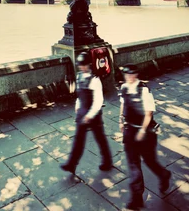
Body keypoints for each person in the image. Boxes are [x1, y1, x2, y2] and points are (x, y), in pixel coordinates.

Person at [119, 64, 171, 210]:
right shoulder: (123, 88)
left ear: (136, 75)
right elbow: (123, 104)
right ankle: (137, 198)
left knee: (150, 161)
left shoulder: (144, 90)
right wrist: (121, 120)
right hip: (130, 131)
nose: (128, 77)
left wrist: (142, 131)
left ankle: (164, 175)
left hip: (145, 132)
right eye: (126, 75)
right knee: (133, 164)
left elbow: (149, 113)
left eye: (131, 75)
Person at [60, 50, 112, 173]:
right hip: (82, 113)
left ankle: (107, 161)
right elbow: (80, 95)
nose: (82, 67)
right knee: (78, 140)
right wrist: (78, 105)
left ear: (89, 64)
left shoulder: (95, 80)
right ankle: (71, 164)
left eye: (84, 65)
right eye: (80, 65)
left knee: (100, 138)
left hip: (93, 116)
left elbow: (99, 101)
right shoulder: (79, 76)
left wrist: (89, 116)